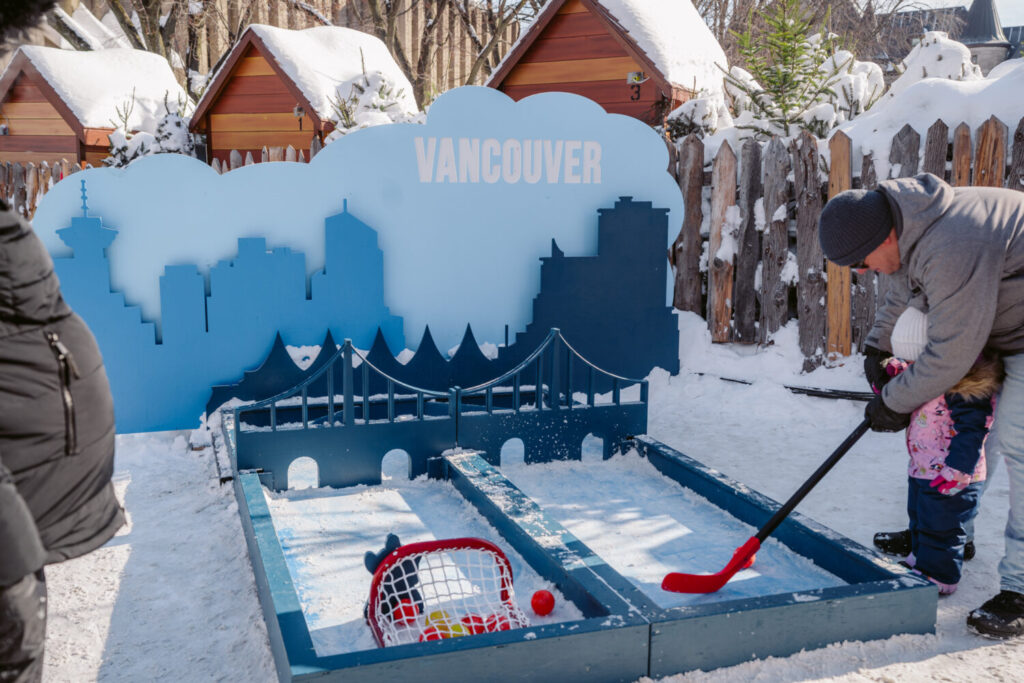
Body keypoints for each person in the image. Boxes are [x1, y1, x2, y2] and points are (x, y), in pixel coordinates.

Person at [818, 172, 1024, 638]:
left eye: (861, 261)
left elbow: (950, 351)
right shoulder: (914, 231)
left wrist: (894, 401)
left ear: (884, 235)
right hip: (1002, 328)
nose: (861, 271)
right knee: (975, 448)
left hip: (1011, 333)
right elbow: (906, 293)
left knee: (1016, 440)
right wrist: (877, 346)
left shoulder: (952, 242)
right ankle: (949, 537)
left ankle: (1020, 588)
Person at [874, 307, 999, 595]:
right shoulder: (930, 375)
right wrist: (899, 372)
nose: (912, 367)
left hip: (951, 472)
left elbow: (973, 428)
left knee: (942, 527)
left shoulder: (963, 383)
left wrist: (959, 468)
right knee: (920, 516)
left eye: (914, 361)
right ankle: (920, 560)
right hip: (924, 466)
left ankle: (941, 576)